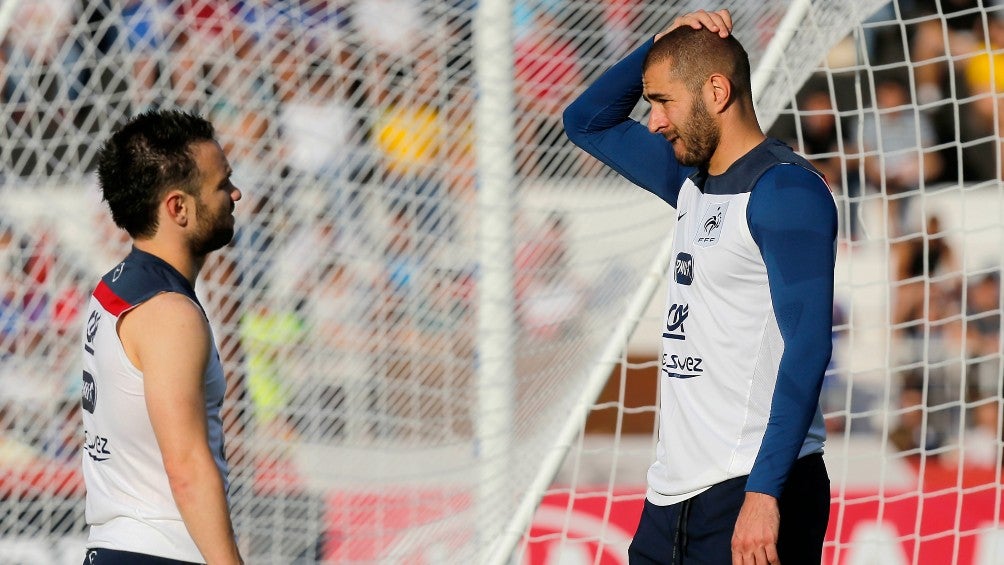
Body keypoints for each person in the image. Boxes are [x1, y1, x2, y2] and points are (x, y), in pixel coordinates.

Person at [563, 9, 835, 565]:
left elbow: (808, 350)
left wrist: (764, 492)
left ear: (716, 91)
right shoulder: (691, 178)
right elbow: (585, 120)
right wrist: (661, 45)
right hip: (672, 498)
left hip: (756, 489)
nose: (654, 121)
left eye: (663, 101)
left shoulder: (784, 191)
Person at [80, 110, 244, 565]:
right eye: (221, 184)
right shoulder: (171, 314)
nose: (236, 193)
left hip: (118, 546)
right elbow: (187, 468)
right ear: (178, 208)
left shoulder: (112, 287)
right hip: (161, 553)